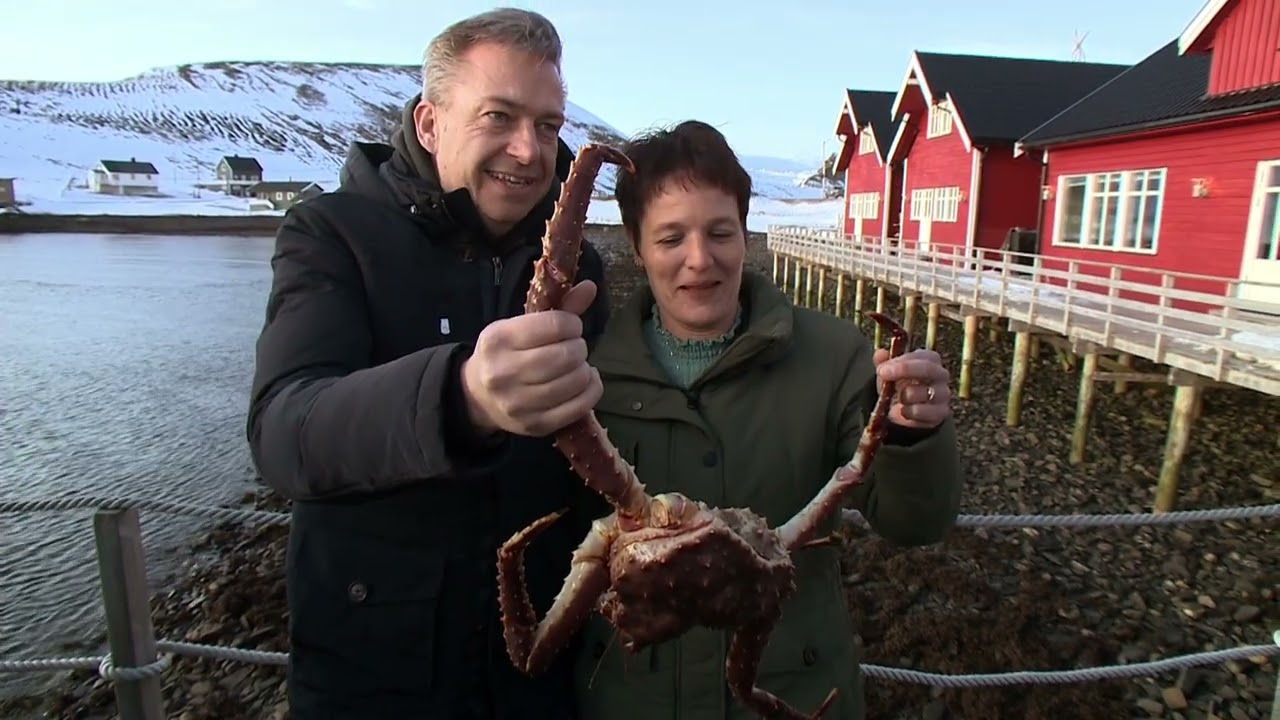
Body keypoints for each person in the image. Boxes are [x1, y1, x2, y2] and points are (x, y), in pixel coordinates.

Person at [245, 8, 609, 719]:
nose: (529, 150)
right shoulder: (332, 234)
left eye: (547, 125)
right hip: (373, 675)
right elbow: (286, 432)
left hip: (534, 676)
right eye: (498, 117)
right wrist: (461, 395)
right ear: (430, 123)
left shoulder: (577, 267)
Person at [568, 120, 964, 720]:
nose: (699, 260)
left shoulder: (834, 356)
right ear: (635, 242)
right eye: (671, 238)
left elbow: (916, 523)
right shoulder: (587, 377)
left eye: (720, 232)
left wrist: (915, 434)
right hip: (628, 696)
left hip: (794, 694)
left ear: (746, 233)